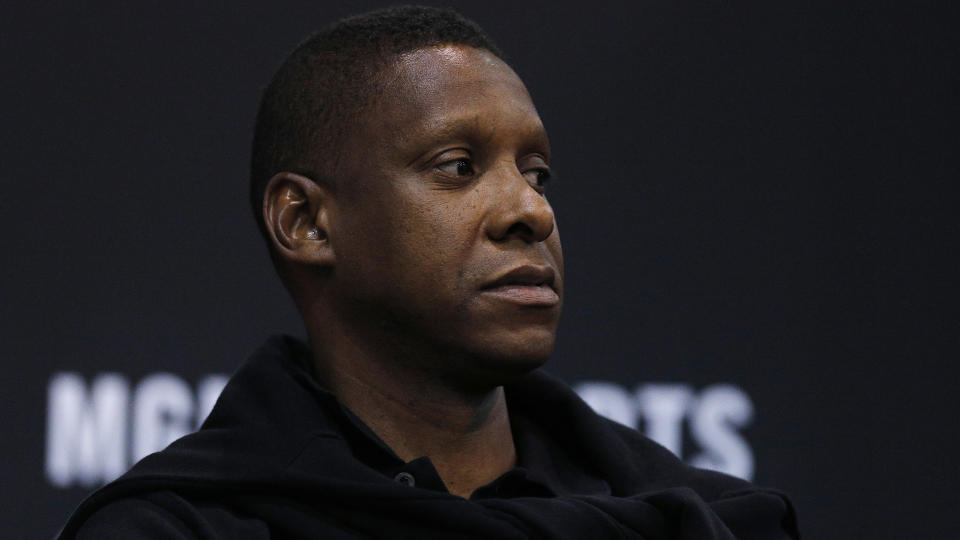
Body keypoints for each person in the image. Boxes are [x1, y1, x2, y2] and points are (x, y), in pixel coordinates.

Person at [59, 6, 799, 539]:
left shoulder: (714, 522)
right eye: (459, 167)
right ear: (306, 222)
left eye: (536, 173)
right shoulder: (174, 528)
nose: (530, 212)